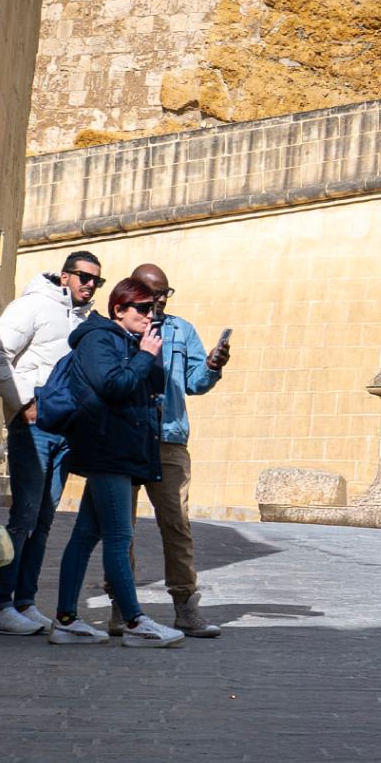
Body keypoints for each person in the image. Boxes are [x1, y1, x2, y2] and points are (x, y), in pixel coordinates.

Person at [43, 273, 178, 646]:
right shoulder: (99, 339)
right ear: (119, 309)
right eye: (143, 308)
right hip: (107, 450)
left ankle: (66, 619)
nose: (151, 315)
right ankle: (135, 623)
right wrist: (144, 356)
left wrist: (148, 354)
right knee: (119, 535)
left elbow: (152, 387)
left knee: (86, 535)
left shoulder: (130, 341)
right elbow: (112, 386)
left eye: (154, 309)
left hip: (119, 448)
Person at [0, 247, 105, 636]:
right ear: (64, 275)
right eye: (84, 277)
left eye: (96, 280)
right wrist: (26, 401)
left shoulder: (86, 320)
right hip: (33, 426)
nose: (89, 285)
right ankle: (1, 606)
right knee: (24, 516)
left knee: (45, 520)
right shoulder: (32, 305)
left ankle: (25, 602)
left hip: (66, 429)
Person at [127, 264, 230, 642]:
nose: (158, 300)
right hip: (128, 437)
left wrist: (211, 366)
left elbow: (194, 383)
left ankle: (185, 606)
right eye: (152, 292)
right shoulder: (121, 325)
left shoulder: (181, 330)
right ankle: (123, 608)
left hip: (169, 438)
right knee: (122, 527)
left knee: (176, 525)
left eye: (165, 293)